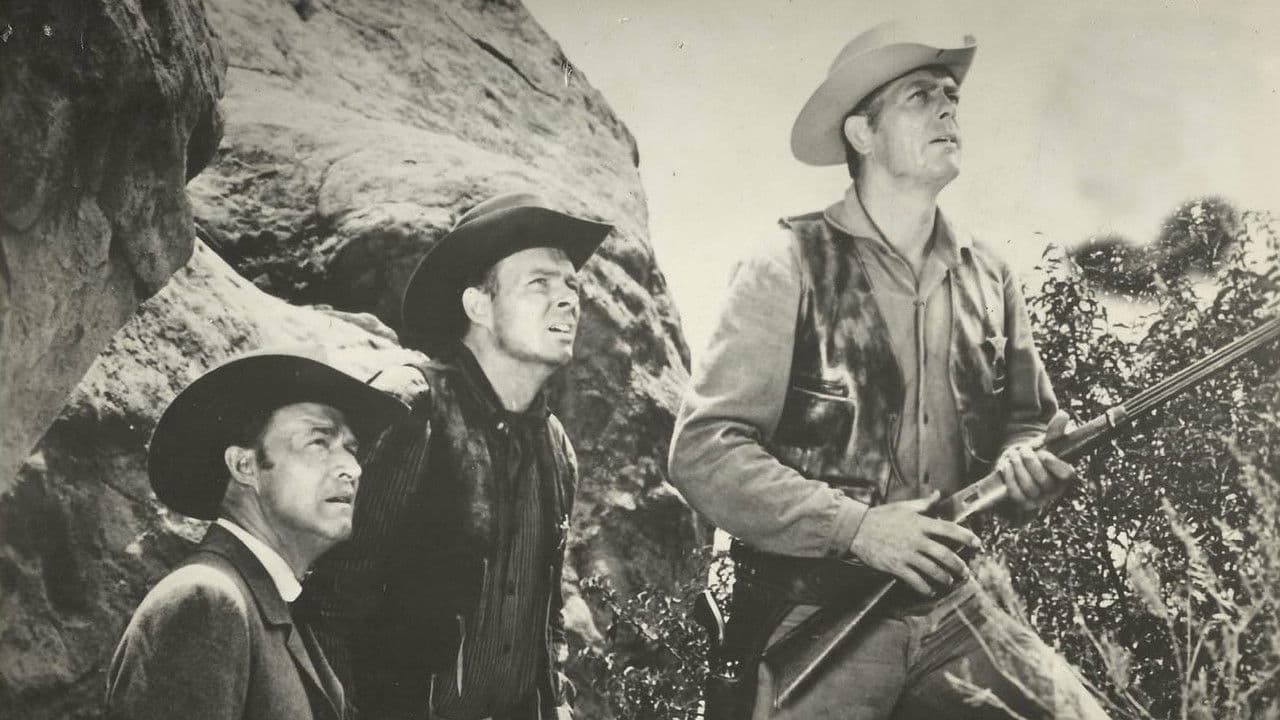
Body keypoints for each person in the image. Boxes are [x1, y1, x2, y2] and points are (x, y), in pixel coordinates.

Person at [669, 20, 1110, 720]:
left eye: (950, 96)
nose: (947, 109)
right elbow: (703, 451)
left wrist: (1026, 466)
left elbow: (1027, 425)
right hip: (815, 614)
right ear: (862, 133)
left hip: (956, 608)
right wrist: (858, 529)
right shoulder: (785, 263)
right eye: (919, 97)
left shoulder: (989, 275)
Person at [304, 192, 612, 720]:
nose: (567, 300)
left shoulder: (556, 448)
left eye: (571, 286)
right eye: (540, 283)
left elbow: (544, 621)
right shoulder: (411, 408)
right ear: (478, 306)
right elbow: (327, 606)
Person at [104, 348, 408, 720]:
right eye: (319, 442)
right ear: (244, 466)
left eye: (351, 449)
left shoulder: (272, 605)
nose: (353, 468)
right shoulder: (206, 601)